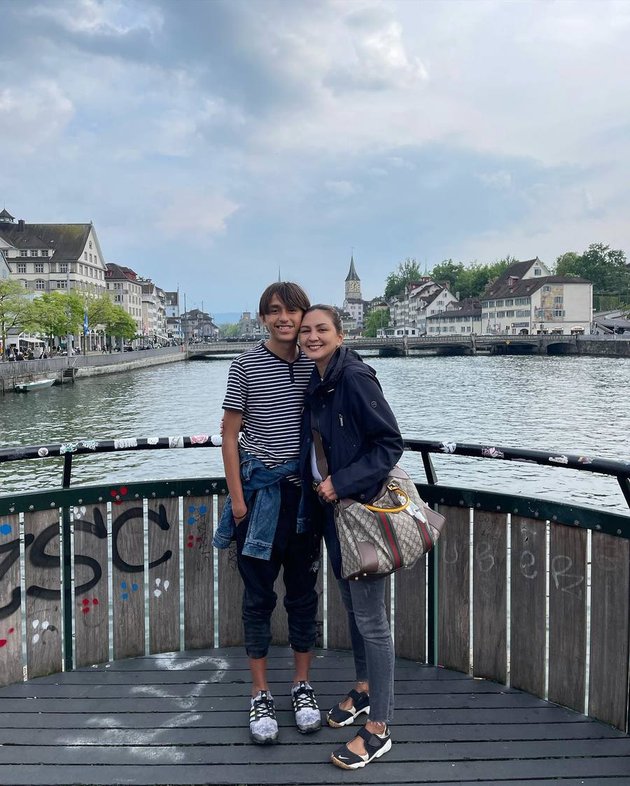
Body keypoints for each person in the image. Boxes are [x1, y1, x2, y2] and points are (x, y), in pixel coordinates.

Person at [213, 282, 322, 745]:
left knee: (303, 595)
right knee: (257, 599)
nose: (284, 318)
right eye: (274, 311)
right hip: (259, 500)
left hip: (304, 499)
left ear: (303, 316)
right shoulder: (245, 364)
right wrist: (238, 501)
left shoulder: (315, 366)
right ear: (263, 319)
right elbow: (229, 436)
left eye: (291, 311)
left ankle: (302, 686)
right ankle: (260, 691)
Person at [298, 304, 404, 770]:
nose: (312, 337)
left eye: (322, 329)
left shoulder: (355, 378)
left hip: (360, 512)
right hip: (333, 514)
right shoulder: (320, 380)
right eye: (307, 331)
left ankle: (379, 727)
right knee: (354, 610)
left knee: (372, 620)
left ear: (340, 334)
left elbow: (389, 443)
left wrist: (341, 482)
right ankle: (363, 689)